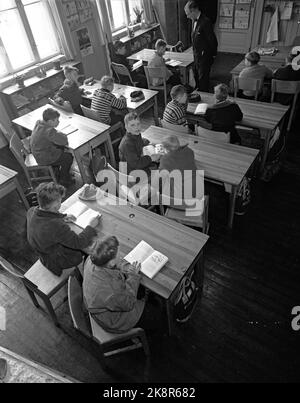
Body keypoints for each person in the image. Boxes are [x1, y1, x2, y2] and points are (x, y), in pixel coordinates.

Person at [83, 236, 162, 333]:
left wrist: (123, 266)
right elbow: (129, 303)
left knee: (141, 291)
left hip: (106, 303)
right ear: (111, 263)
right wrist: (133, 276)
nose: (121, 257)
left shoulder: (92, 259)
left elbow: (113, 265)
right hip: (115, 319)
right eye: (119, 255)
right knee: (158, 316)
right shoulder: (111, 291)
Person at [27, 182, 99, 277]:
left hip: (43, 253)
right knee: (90, 249)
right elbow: (79, 242)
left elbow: (47, 217)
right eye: (60, 200)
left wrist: (62, 216)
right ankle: (83, 275)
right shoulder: (56, 226)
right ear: (56, 205)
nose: (60, 202)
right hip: (57, 260)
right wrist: (90, 226)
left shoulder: (31, 211)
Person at [30, 108, 73, 186]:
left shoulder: (39, 122)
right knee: (68, 157)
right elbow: (63, 141)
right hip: (44, 157)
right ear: (50, 121)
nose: (58, 122)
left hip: (37, 152)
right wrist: (62, 135)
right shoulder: (49, 131)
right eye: (56, 120)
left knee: (61, 148)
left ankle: (58, 171)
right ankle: (64, 179)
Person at [184, 0, 218, 92]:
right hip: (196, 55)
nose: (187, 16)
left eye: (188, 14)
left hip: (204, 57)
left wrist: (213, 55)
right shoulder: (193, 20)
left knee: (203, 80)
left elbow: (213, 40)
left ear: (194, 10)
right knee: (197, 78)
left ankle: (204, 99)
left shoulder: (206, 22)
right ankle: (198, 94)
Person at [158, 135, 203, 202]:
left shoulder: (165, 159)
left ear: (166, 149)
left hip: (179, 197)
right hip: (196, 189)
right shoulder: (189, 151)